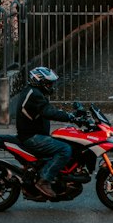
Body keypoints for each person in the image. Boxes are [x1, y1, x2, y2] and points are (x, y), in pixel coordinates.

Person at [13, 65, 76, 199]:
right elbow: (48, 112)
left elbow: (47, 109)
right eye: (48, 83)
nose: (50, 86)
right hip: (32, 137)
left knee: (63, 140)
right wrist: (70, 117)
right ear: (39, 81)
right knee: (65, 149)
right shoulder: (34, 94)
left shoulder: (33, 92)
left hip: (34, 135)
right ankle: (44, 181)